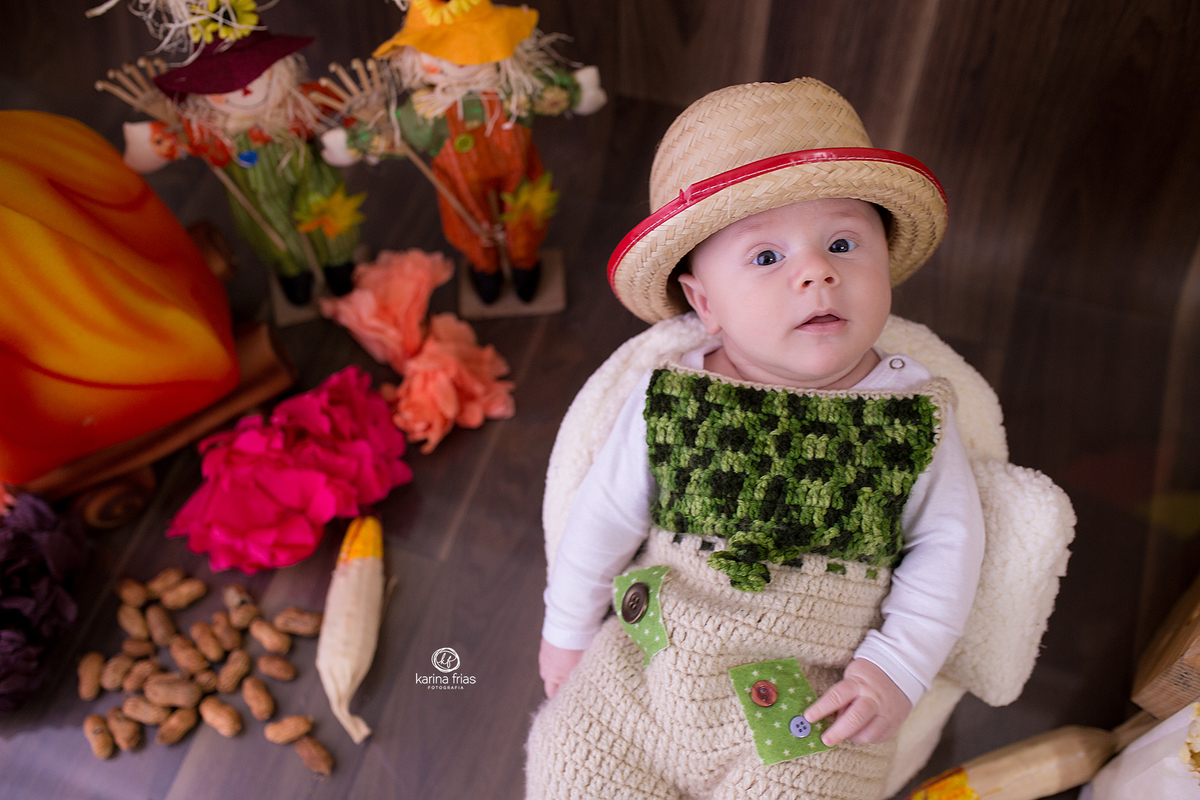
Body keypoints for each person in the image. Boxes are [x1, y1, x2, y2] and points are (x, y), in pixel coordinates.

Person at [526, 78, 986, 800]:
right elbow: (603, 518)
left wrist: (897, 667)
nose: (817, 272)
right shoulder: (672, 397)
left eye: (842, 243)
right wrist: (566, 628)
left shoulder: (912, 416)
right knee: (569, 758)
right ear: (705, 304)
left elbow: (950, 547)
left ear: (884, 261)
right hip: (646, 672)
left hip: (807, 709)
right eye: (767, 258)